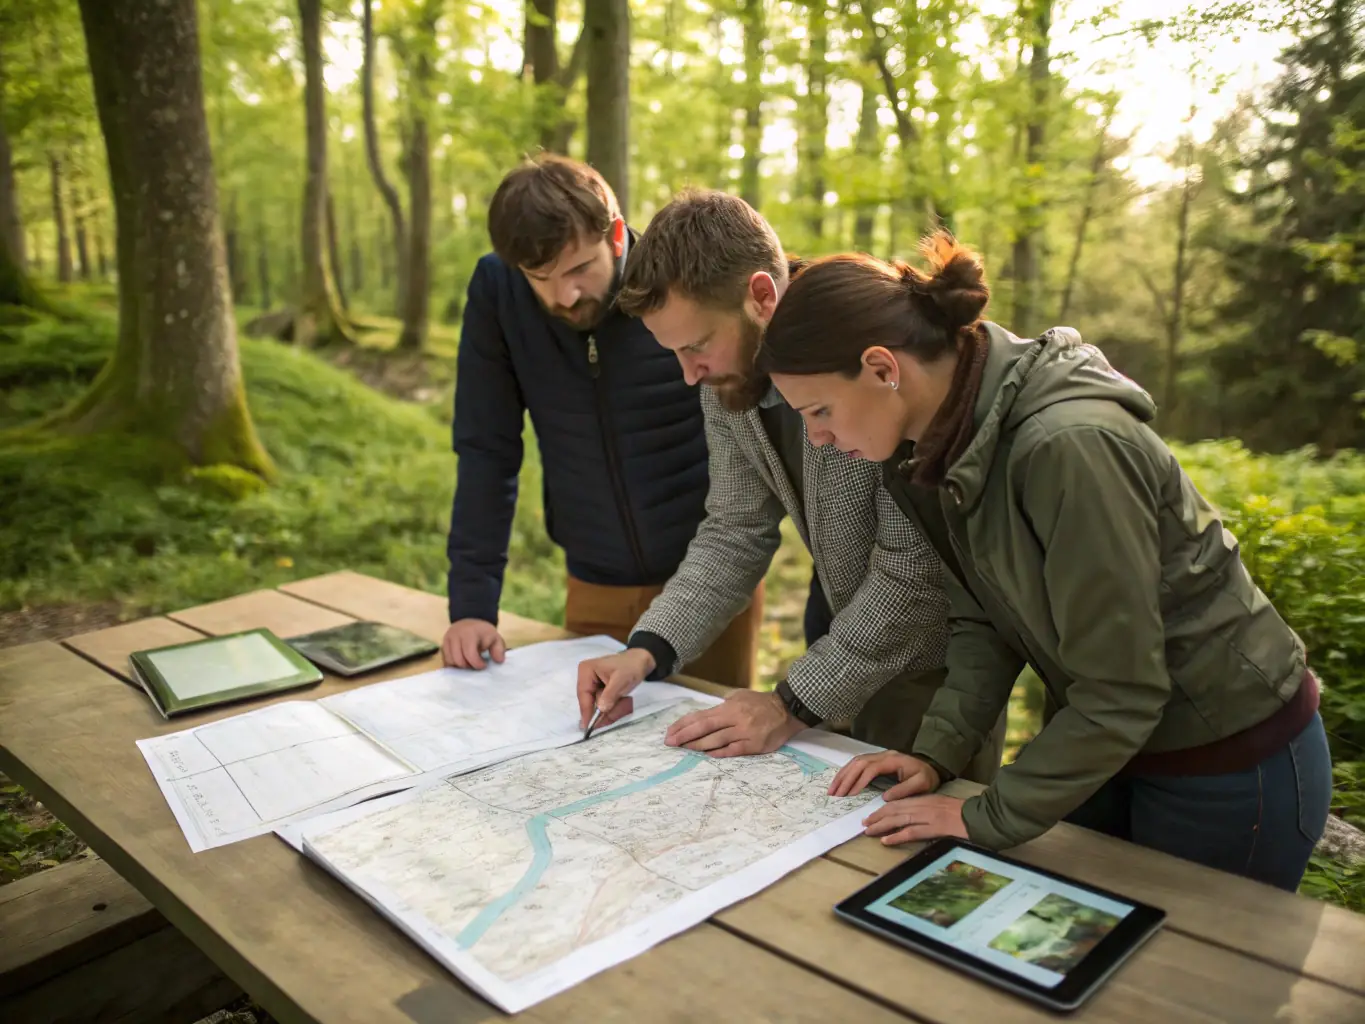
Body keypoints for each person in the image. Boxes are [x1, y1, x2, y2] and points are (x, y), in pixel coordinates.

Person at [757, 231, 1333, 892]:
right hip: (1109, 748)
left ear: (883, 368)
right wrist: (934, 753)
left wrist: (986, 814)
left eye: (820, 411)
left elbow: (1123, 689)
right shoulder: (933, 451)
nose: (819, 439)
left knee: (1192, 986)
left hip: (1228, 765)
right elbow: (981, 622)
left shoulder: (1068, 447)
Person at [575, 190, 1006, 779]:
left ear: (760, 296)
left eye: (697, 346)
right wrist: (647, 649)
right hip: (838, 644)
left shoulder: (870, 354)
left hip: (942, 677)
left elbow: (916, 569)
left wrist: (790, 702)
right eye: (674, 353)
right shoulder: (728, 381)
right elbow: (734, 529)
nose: (688, 374)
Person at [444, 156, 763, 687]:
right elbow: (486, 449)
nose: (561, 297)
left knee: (712, 742)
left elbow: (739, 427)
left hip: (711, 580)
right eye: (539, 279)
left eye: (578, 270)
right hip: (594, 580)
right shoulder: (499, 293)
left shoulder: (677, 284)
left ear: (616, 234)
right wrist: (473, 605)